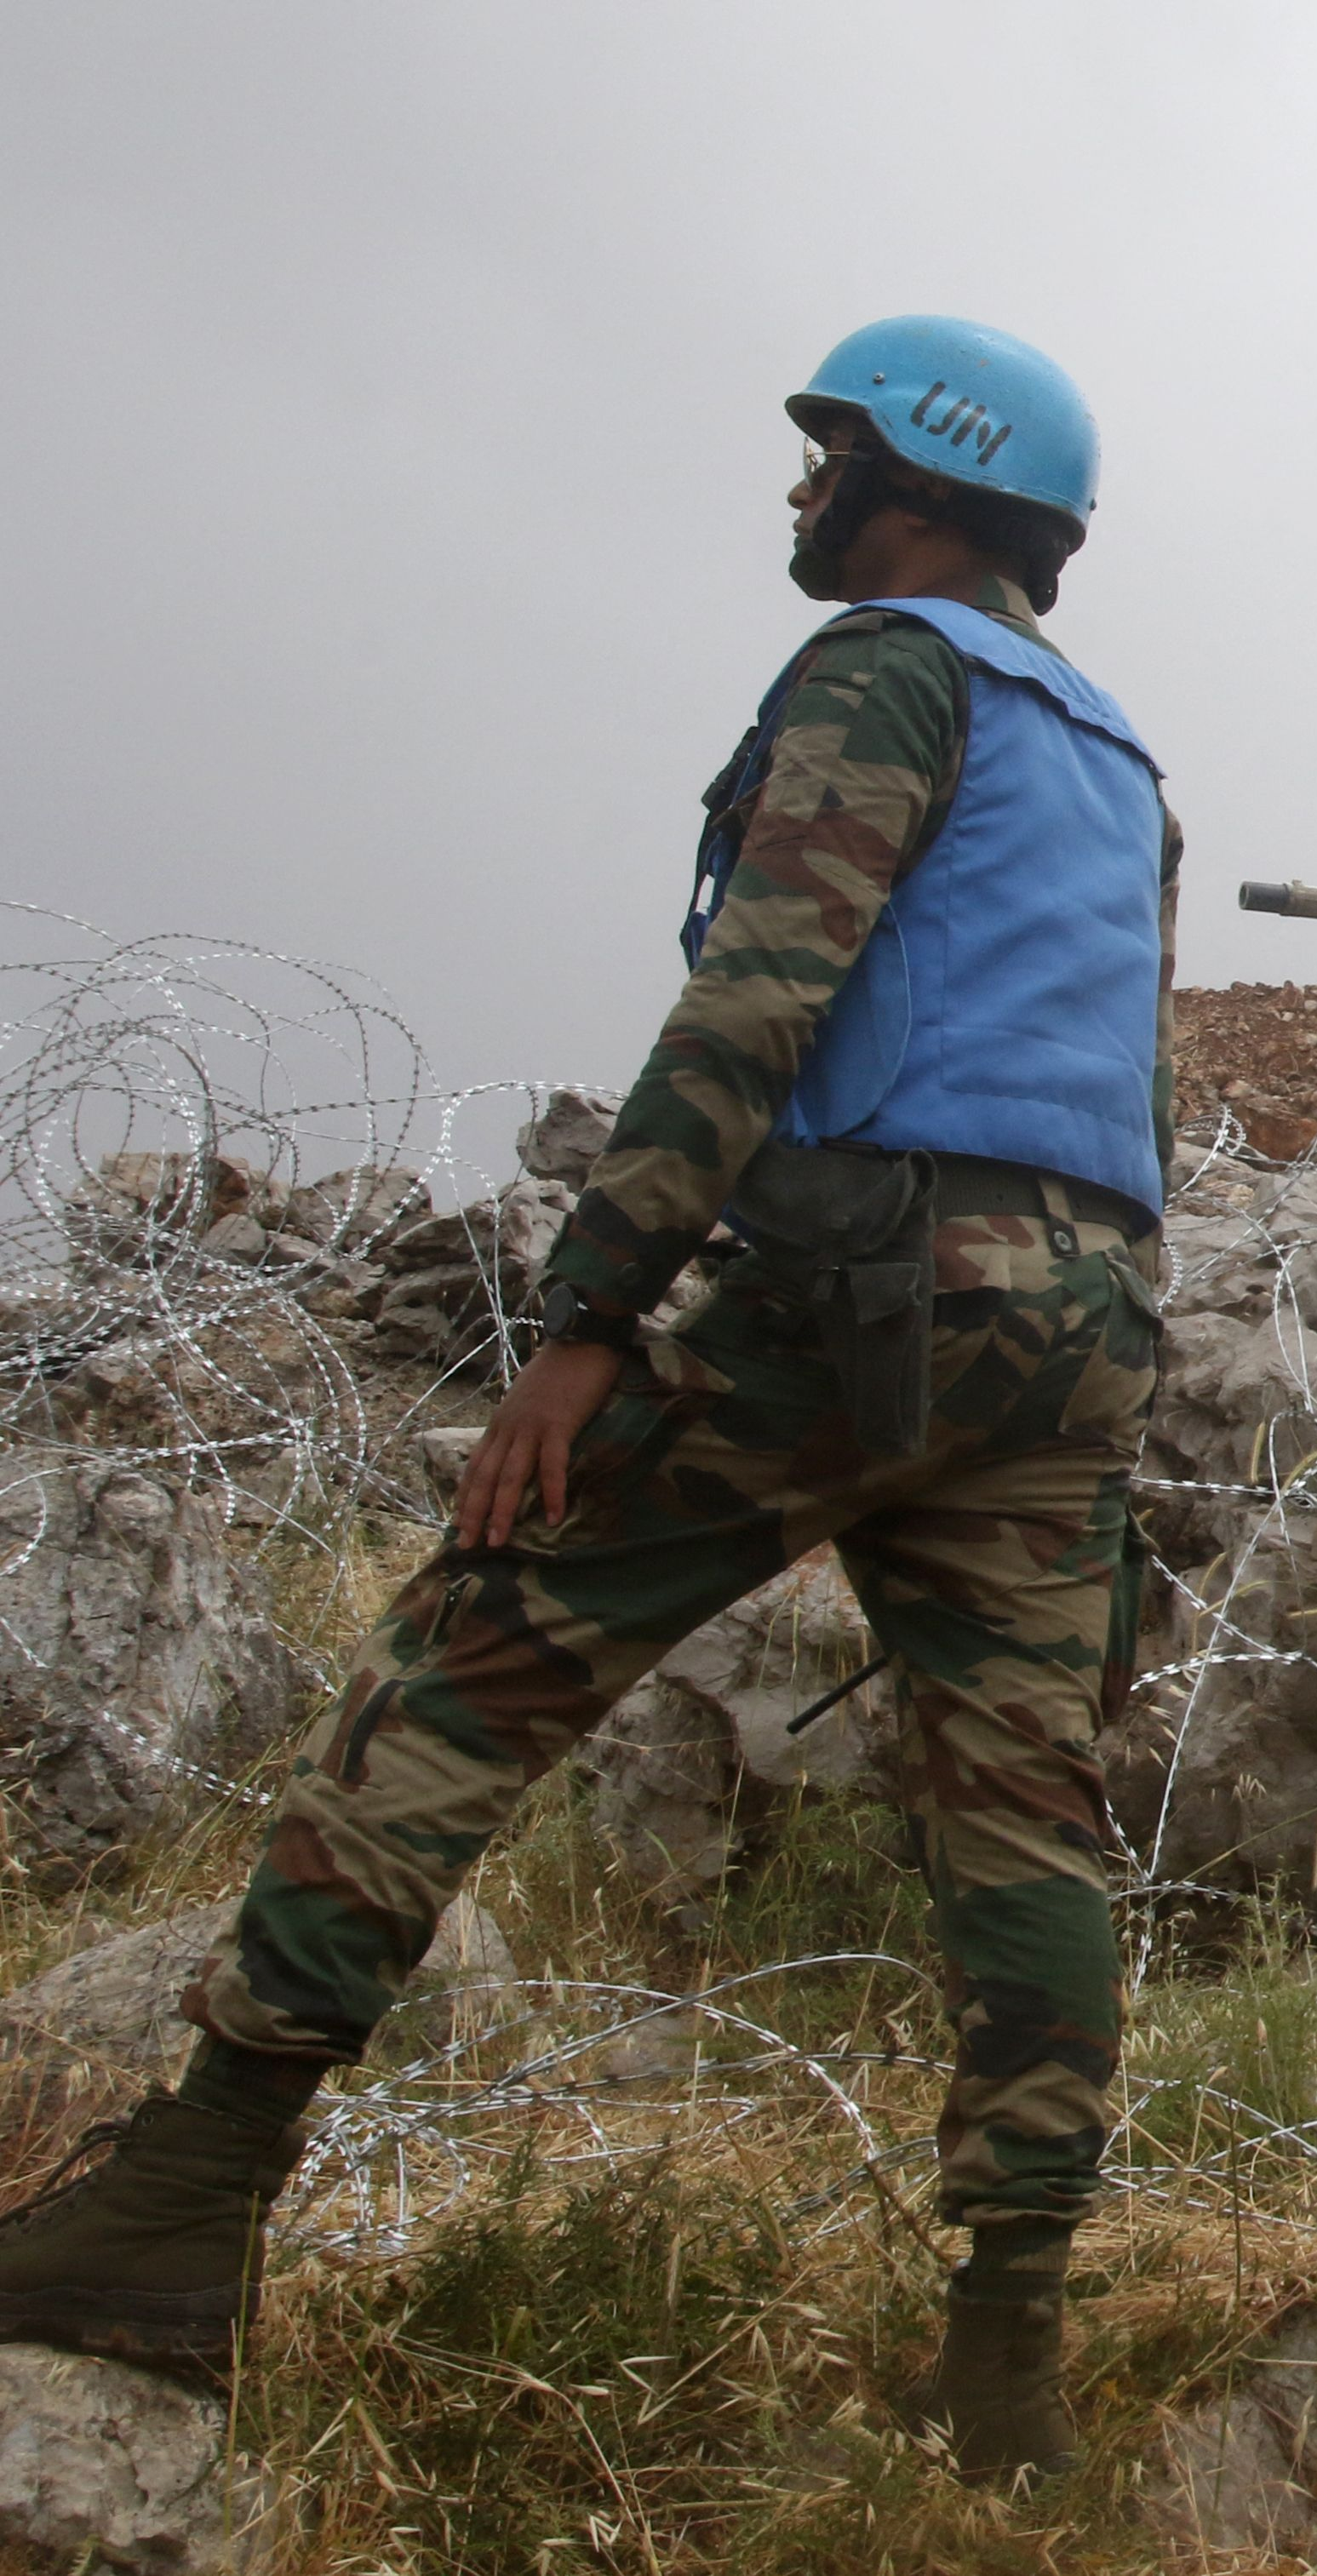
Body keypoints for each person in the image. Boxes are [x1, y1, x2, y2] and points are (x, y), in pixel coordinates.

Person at [0, 315, 1177, 2487]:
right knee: (1027, 1826)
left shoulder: (889, 668)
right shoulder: (1110, 749)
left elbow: (765, 984)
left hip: (870, 1283)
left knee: (480, 1644)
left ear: (925, 476)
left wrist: (590, 1310)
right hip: (1081, 1322)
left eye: (827, 453)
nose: (801, 490)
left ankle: (185, 2196)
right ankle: (1007, 2363)